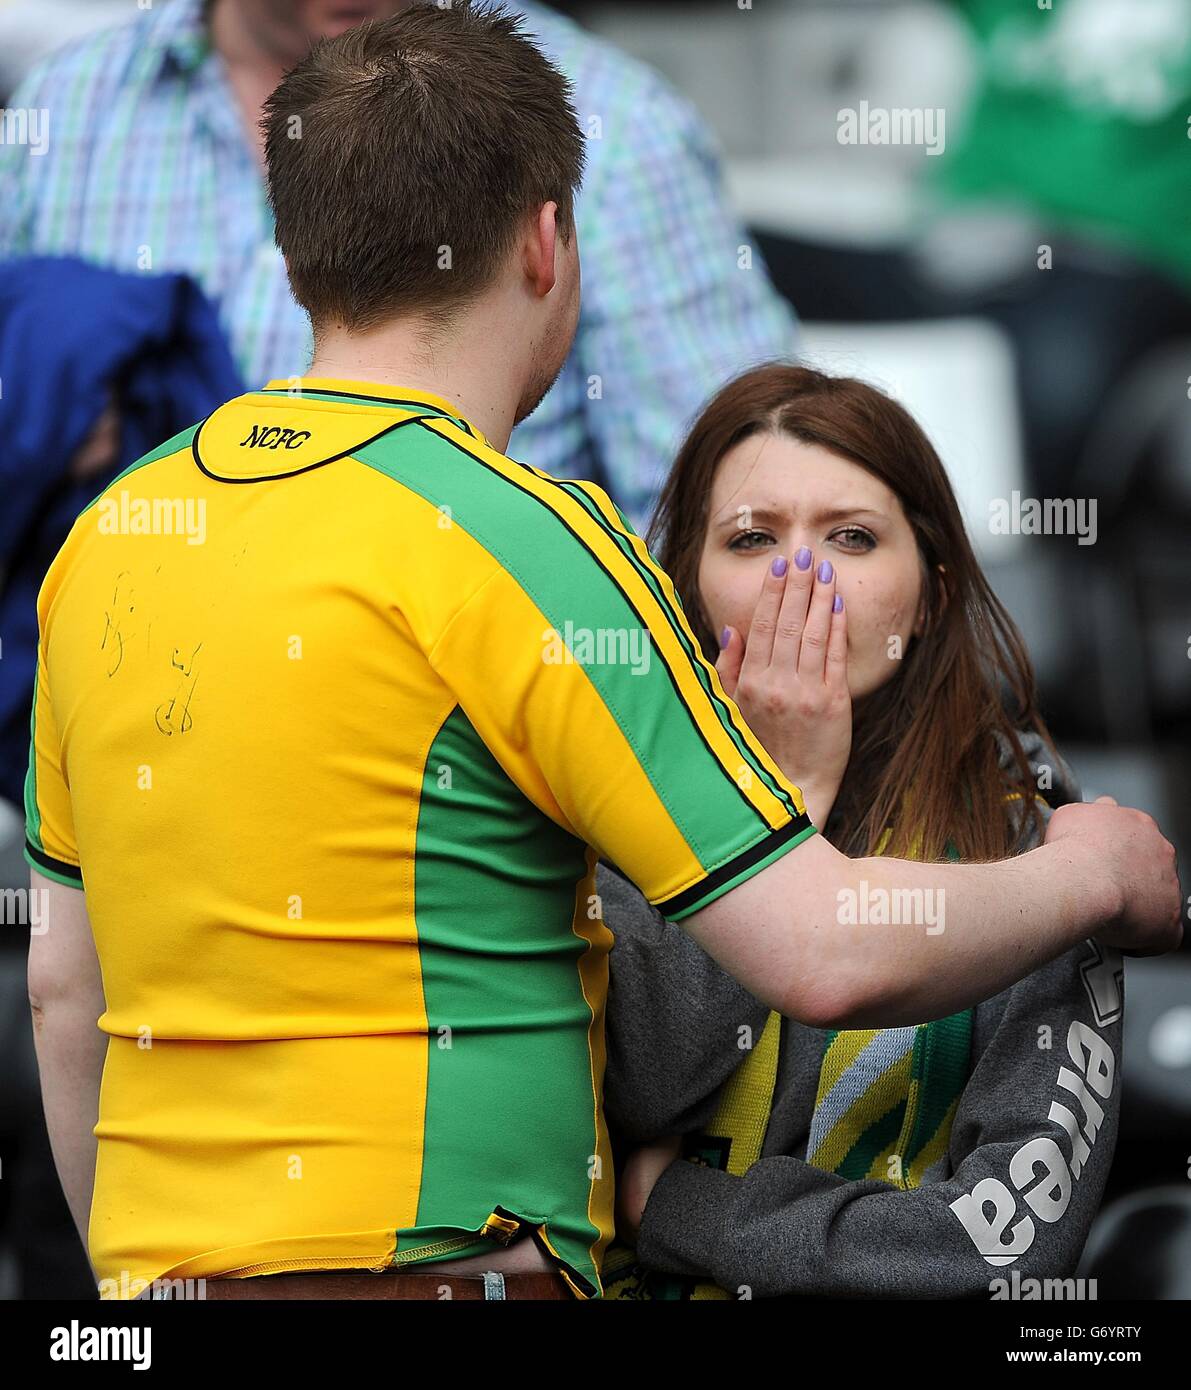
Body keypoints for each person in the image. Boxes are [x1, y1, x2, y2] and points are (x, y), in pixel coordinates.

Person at [25, 5, 1180, 1305]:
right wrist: (1090, 875)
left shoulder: (113, 534)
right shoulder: (531, 538)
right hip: (455, 1273)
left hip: (149, 1287)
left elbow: (66, 991)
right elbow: (820, 948)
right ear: (545, 241)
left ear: (294, 263)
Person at [598, 364, 1131, 1297]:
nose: (798, 578)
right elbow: (633, 1090)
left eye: (849, 537)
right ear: (685, 594)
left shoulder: (1038, 859)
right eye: (752, 537)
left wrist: (680, 1208)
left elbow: (992, 1256)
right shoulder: (602, 813)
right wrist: (779, 797)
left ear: (928, 596)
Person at [0, 0, 796, 533]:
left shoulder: (614, 126)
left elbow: (733, 509)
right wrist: (45, 418)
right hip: (116, 731)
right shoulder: (71, 106)